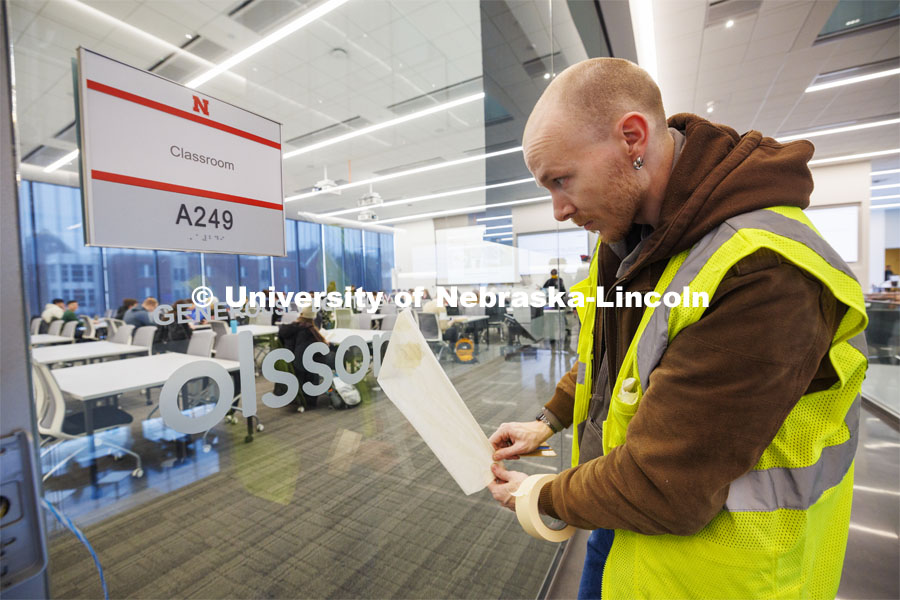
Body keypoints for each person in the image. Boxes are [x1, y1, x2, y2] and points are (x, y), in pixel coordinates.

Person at [486, 58, 866, 598]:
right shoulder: (627, 239)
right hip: (624, 530)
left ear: (632, 138)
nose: (557, 210)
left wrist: (541, 496)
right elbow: (612, 355)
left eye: (561, 180)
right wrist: (550, 419)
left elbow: (666, 488)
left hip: (720, 572)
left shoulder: (761, 270)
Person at [277, 305, 334, 409]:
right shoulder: (309, 331)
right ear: (313, 318)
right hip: (304, 366)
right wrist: (326, 344)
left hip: (290, 366)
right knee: (335, 356)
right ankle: (335, 388)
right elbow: (320, 353)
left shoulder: (287, 329)